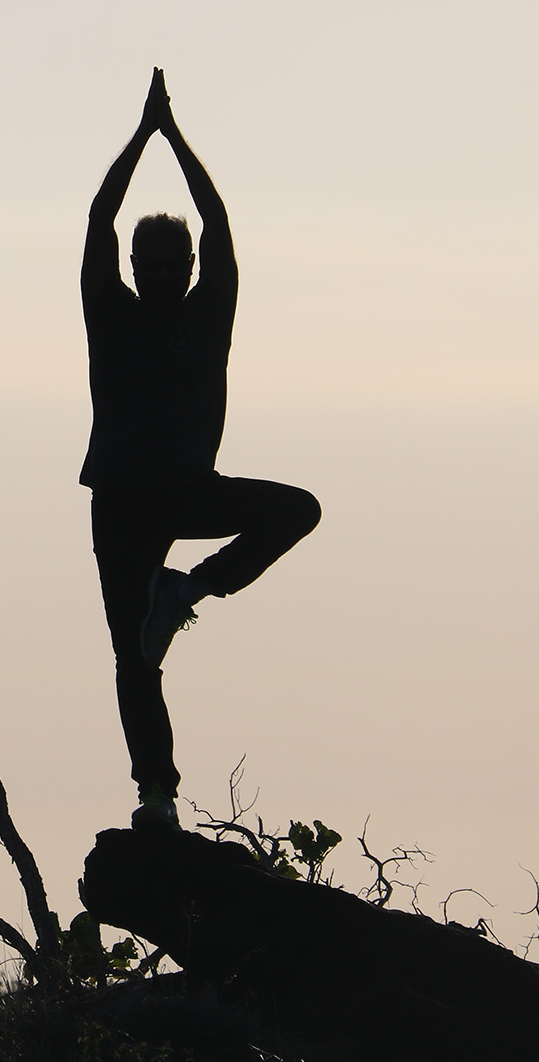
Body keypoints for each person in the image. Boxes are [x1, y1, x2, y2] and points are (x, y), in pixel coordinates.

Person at [80, 69, 321, 831]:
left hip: (188, 490)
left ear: (186, 269)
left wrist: (173, 137)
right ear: (132, 271)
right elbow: (99, 216)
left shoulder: (209, 310)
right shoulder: (109, 310)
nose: (157, 275)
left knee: (298, 509)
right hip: (121, 504)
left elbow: (215, 219)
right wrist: (141, 136)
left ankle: (187, 590)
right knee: (134, 660)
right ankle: (156, 794)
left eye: (170, 265)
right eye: (145, 266)